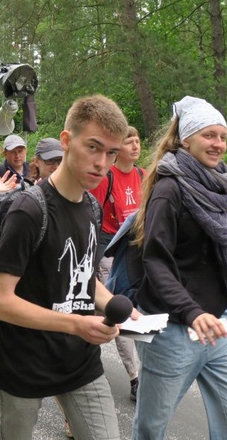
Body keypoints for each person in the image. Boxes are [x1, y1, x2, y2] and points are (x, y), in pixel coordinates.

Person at [0, 95, 132, 440]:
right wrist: (75, 324)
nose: (102, 163)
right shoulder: (28, 211)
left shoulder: (93, 209)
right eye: (93, 147)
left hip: (80, 362)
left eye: (111, 153)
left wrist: (112, 304)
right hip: (24, 362)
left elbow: (83, 278)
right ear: (67, 141)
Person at [129, 96, 227, 439]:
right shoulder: (168, 189)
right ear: (186, 138)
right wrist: (191, 311)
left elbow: (221, 252)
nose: (218, 144)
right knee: (151, 427)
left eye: (222, 137)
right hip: (172, 326)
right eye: (209, 136)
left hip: (221, 319)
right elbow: (155, 259)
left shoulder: (219, 185)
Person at [88, 126, 143, 401]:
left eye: (137, 141)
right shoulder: (107, 178)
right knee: (118, 310)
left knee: (128, 312)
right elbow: (92, 215)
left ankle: (85, 349)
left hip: (135, 252)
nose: (135, 146)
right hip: (109, 250)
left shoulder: (142, 175)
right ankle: (135, 378)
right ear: (117, 149)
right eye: (129, 141)